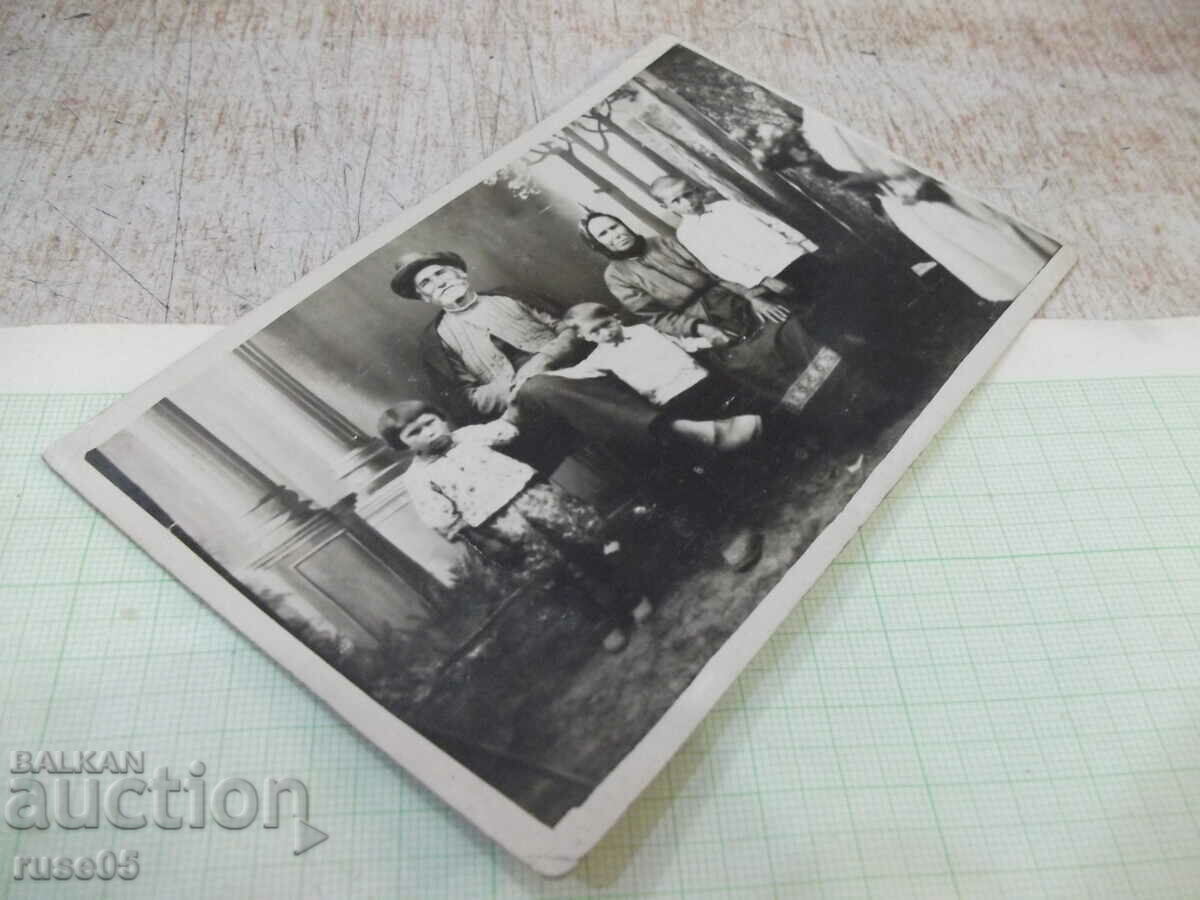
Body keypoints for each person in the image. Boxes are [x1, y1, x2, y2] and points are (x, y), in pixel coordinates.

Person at [393, 249, 764, 458]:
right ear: (424, 298)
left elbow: (570, 326)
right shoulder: (436, 340)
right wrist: (518, 384)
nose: (437, 283)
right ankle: (696, 434)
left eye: (441, 273)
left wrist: (541, 363)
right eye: (426, 283)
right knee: (541, 389)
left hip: (583, 366)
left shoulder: (508, 294)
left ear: (461, 274)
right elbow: (467, 398)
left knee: (568, 384)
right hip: (525, 403)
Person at [379, 401, 652, 653]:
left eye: (430, 422)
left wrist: (514, 408)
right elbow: (441, 517)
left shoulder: (469, 436)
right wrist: (484, 541)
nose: (428, 432)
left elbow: (506, 432)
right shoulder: (417, 478)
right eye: (415, 432)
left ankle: (628, 596)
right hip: (499, 526)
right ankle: (601, 622)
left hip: (535, 497)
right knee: (550, 572)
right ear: (403, 445)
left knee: (584, 544)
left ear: (441, 418)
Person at [578, 212, 875, 422]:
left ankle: (866, 400)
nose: (615, 234)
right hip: (705, 325)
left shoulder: (664, 242)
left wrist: (752, 296)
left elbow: (713, 269)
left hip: (734, 298)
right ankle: (841, 423)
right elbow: (658, 318)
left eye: (614, 226)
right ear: (598, 244)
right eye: (604, 234)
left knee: (794, 328)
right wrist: (703, 330)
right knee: (758, 363)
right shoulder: (616, 276)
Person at [798, 110, 1057, 303]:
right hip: (907, 204)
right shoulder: (812, 125)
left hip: (934, 184)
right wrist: (867, 186)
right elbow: (854, 170)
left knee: (1015, 247)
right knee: (995, 265)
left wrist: (889, 176)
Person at [553, 303, 763, 451]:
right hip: (670, 400)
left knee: (741, 401)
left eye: (607, 324)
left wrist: (710, 342)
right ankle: (739, 442)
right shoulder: (598, 359)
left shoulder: (644, 330)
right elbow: (574, 374)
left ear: (615, 317)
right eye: (595, 331)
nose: (605, 333)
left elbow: (683, 343)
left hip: (699, 379)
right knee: (694, 430)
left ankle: (755, 430)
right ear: (584, 336)